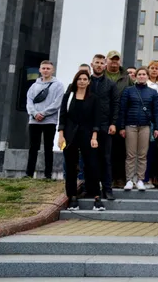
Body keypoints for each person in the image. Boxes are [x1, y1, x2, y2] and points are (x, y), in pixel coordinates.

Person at [58, 70, 103, 211]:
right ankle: (72, 198)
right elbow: (63, 116)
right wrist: (61, 135)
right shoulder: (68, 96)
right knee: (71, 167)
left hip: (87, 134)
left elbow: (96, 118)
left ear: (89, 82)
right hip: (70, 135)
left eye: (85, 79)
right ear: (75, 80)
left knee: (92, 165)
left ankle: (96, 196)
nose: (82, 81)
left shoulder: (93, 98)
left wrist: (94, 137)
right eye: (80, 79)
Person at [118, 67, 158, 191]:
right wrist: (121, 127)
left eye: (144, 74)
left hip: (145, 126)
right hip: (130, 125)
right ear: (136, 76)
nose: (142, 76)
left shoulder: (152, 93)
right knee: (131, 154)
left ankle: (140, 180)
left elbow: (156, 111)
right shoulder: (128, 91)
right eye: (139, 74)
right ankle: (130, 180)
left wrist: (157, 127)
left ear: (147, 76)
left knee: (143, 154)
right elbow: (123, 110)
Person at [25, 60, 64, 180]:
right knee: (33, 147)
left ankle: (48, 174)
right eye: (43, 68)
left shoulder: (58, 85)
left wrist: (43, 113)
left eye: (48, 68)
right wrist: (35, 113)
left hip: (50, 121)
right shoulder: (33, 86)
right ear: (40, 70)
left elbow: (57, 103)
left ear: (52, 70)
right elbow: (29, 101)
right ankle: (29, 174)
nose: (46, 70)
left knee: (48, 147)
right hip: (34, 120)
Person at [90, 54, 119, 200]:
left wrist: (113, 123)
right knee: (89, 159)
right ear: (92, 64)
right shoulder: (85, 81)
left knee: (106, 159)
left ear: (105, 65)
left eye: (102, 63)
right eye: (97, 62)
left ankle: (107, 189)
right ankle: (91, 189)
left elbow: (115, 104)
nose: (99, 65)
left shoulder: (110, 84)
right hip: (87, 126)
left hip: (105, 125)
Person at [104, 51, 134, 190]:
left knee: (120, 150)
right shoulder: (101, 75)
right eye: (112, 60)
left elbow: (133, 95)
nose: (114, 62)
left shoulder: (126, 78)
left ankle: (119, 178)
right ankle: (105, 178)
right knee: (104, 151)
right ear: (107, 60)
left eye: (117, 60)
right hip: (104, 117)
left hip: (121, 118)